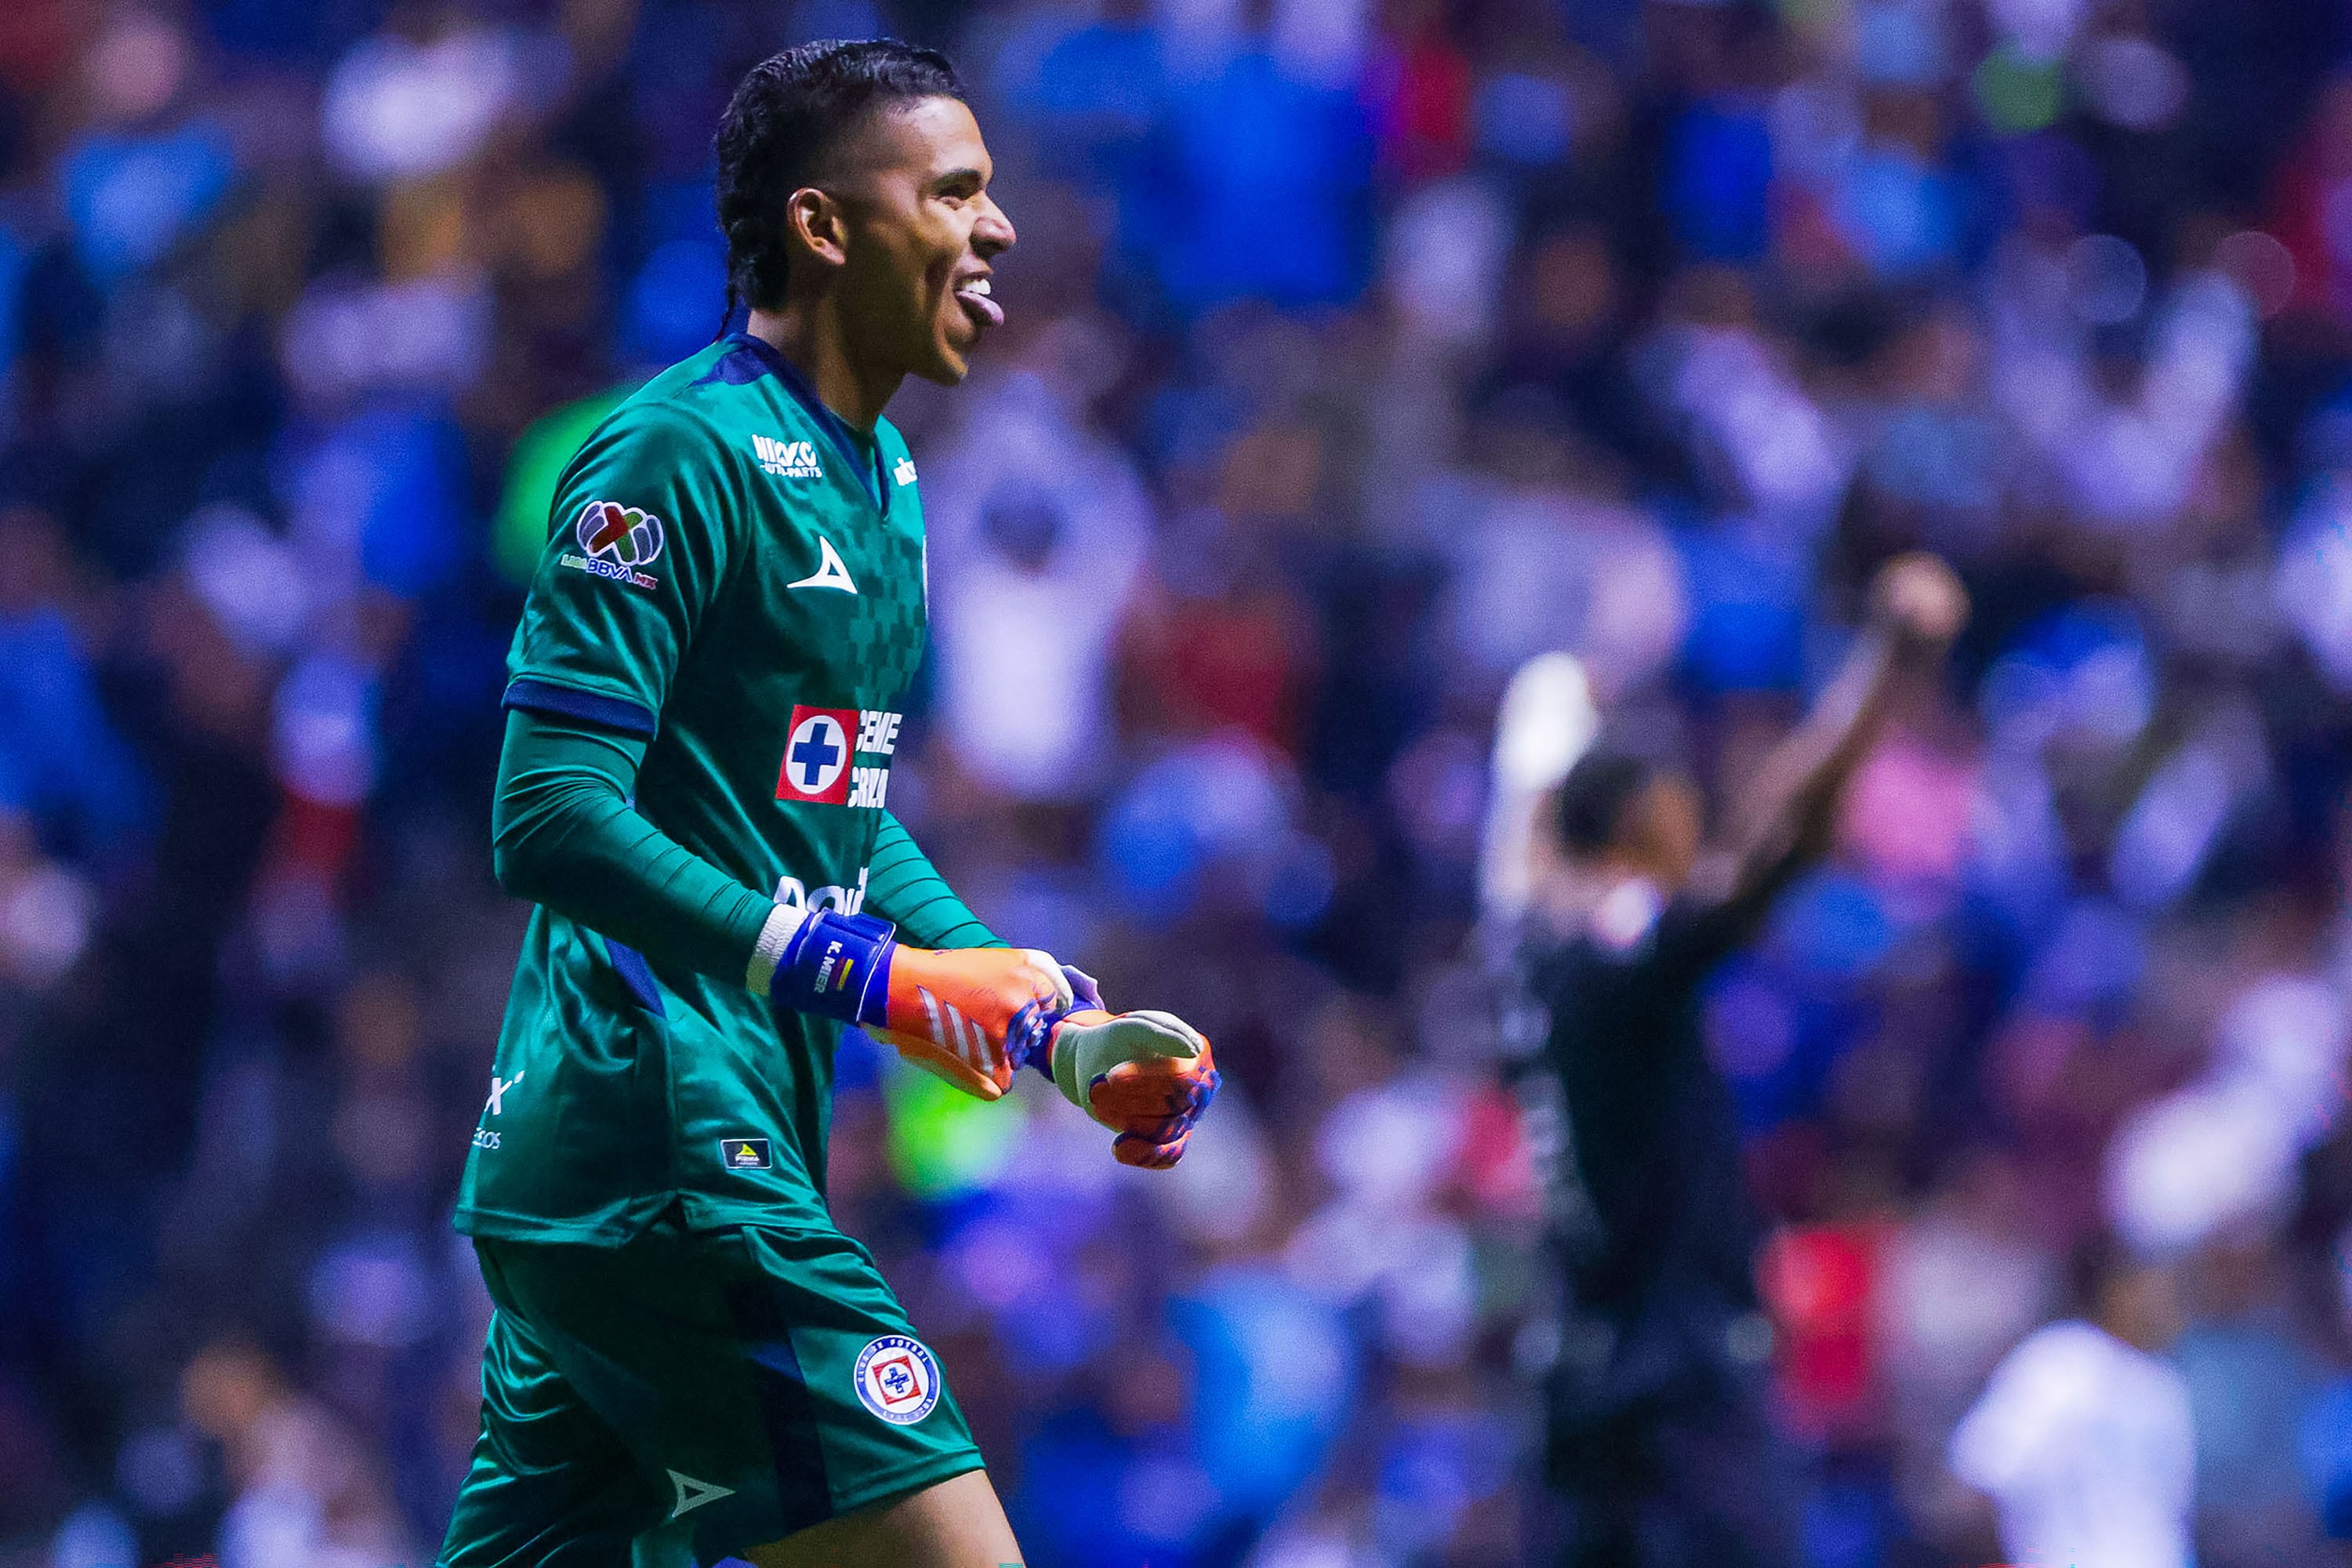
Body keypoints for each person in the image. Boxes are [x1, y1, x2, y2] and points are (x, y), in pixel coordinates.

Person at [437, 40, 1218, 1568]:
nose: (997, 231)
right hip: (658, 1130)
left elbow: (840, 828)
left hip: (663, 1156)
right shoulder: (678, 452)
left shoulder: (892, 492)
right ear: (823, 226)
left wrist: (1048, 1024)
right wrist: (881, 976)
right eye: (955, 193)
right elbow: (546, 814)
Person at [1525, 553, 1967, 1568]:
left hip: (1583, 1367)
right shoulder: (1619, 944)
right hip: (1677, 1378)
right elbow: (1775, 849)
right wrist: (1883, 675)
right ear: (1643, 822)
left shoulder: (1533, 947)